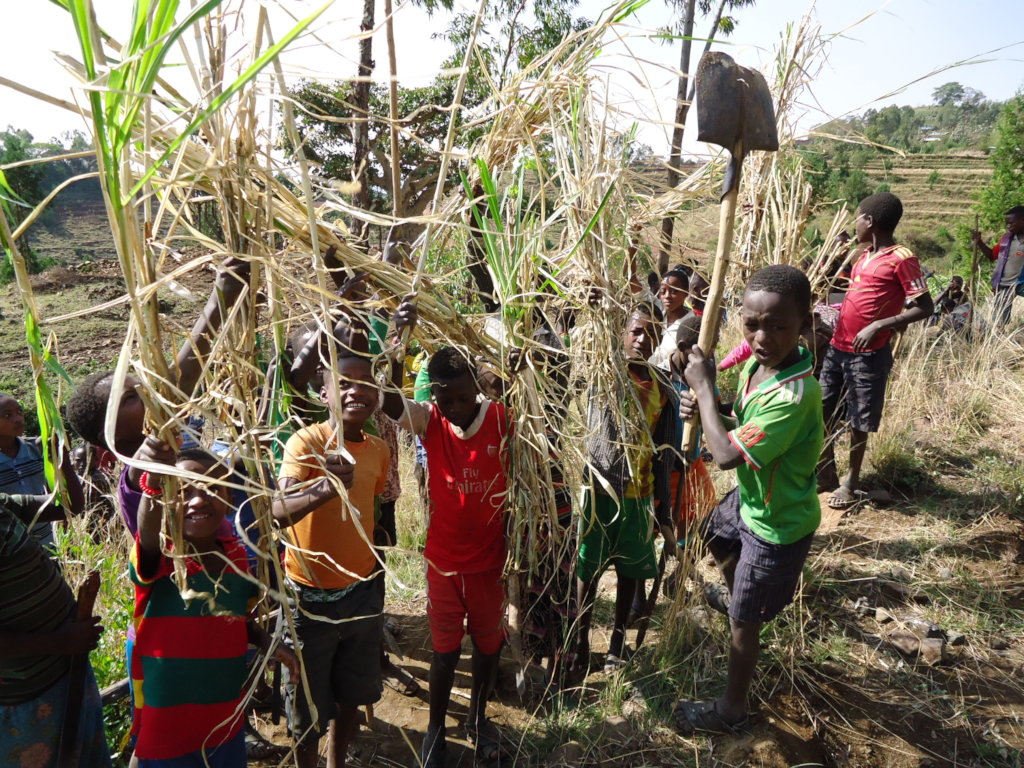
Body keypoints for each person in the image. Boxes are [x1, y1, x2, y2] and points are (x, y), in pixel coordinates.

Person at [673, 264, 823, 734]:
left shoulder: (794, 394)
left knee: (744, 626)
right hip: (753, 501)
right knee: (712, 534)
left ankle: (731, 710)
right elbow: (738, 418)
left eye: (778, 326)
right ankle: (744, 595)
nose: (762, 337)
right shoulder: (763, 367)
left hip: (777, 523)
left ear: (805, 323)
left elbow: (724, 454)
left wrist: (702, 389)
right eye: (752, 324)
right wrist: (710, 406)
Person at [383, 327, 511, 768]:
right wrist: (397, 341)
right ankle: (436, 729)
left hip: (490, 563)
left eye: (462, 398)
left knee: (488, 645)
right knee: (444, 651)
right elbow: (385, 399)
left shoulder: (502, 419)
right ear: (433, 397)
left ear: (477, 385)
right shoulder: (429, 420)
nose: (454, 409)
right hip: (443, 563)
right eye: (445, 401)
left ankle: (477, 717)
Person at [272, 343, 401, 768]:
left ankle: (336, 762)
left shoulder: (379, 450)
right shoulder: (306, 442)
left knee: (353, 695)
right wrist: (326, 486)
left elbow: (374, 507)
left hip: (361, 592)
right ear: (323, 393)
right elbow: (278, 509)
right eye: (343, 384)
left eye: (365, 384)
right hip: (308, 599)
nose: (355, 392)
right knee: (306, 709)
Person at [130, 440, 297, 766]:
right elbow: (147, 532)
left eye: (211, 488)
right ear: (165, 501)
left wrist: (265, 641)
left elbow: (237, 616)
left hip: (225, 720)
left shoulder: (236, 554)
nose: (197, 499)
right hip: (168, 729)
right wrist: (151, 484)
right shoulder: (164, 557)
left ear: (230, 499)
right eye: (183, 490)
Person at [575, 299, 676, 674]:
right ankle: (580, 645)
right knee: (587, 571)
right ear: (619, 334)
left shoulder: (663, 387)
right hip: (597, 494)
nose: (641, 340)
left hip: (638, 498)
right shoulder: (604, 372)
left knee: (630, 573)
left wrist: (663, 511)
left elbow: (664, 453)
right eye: (635, 331)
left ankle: (617, 645)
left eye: (651, 333)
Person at [817, 192, 933, 510]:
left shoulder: (903, 257)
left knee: (859, 420)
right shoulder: (862, 256)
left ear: (869, 221)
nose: (854, 223)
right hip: (837, 349)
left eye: (857, 217)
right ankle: (826, 472)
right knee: (820, 411)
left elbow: (925, 305)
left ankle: (850, 483)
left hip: (868, 355)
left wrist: (880, 325)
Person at [0, 492, 109, 768]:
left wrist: (59, 453)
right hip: (24, 700)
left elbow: (70, 504)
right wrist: (60, 642)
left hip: (66, 674)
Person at [0, 393, 84, 552]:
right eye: (7, 415)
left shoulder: (38, 449)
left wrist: (62, 457)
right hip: (9, 550)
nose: (17, 419)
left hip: (47, 545)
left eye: (19, 412)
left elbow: (63, 500)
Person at [971, 206, 1024, 327]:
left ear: (1022, 220)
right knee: (999, 320)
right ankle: (999, 341)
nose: (1008, 227)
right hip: (1004, 285)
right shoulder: (1006, 239)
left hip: (1021, 283)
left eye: (1011, 223)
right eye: (1007, 224)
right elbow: (991, 255)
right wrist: (979, 242)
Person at [649, 268, 690, 370]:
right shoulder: (657, 314)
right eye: (663, 291)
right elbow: (634, 286)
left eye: (674, 291)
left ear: (686, 292)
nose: (667, 296)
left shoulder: (692, 326)